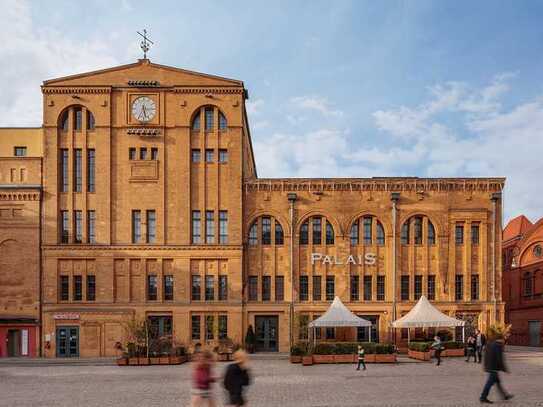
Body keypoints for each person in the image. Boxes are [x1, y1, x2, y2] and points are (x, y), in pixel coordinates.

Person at [479, 332, 514, 404]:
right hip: (493, 367)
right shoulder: (498, 345)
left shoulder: (490, 343)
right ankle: (483, 397)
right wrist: (505, 369)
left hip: (489, 366)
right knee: (489, 383)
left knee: (498, 382)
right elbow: (499, 358)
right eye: (503, 339)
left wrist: (485, 366)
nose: (504, 340)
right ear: (500, 339)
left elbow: (485, 356)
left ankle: (505, 395)